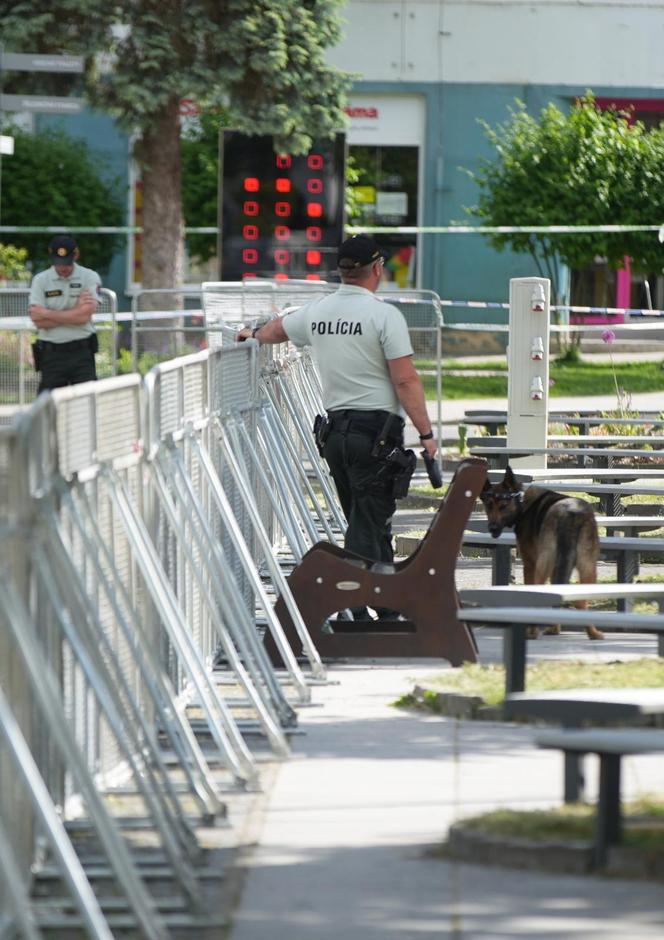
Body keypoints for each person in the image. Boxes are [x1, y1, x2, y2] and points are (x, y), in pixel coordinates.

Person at [238, 233, 438, 620]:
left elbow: (276, 330)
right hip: (375, 436)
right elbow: (406, 381)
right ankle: (357, 607)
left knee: (369, 519)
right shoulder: (384, 316)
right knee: (367, 523)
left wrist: (251, 334)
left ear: (341, 271)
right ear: (377, 268)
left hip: (336, 436)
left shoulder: (318, 311)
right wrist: (427, 435)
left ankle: (386, 605)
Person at [29, 234, 101, 393]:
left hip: (81, 352)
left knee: (87, 404)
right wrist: (75, 311)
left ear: (76, 255)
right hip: (51, 354)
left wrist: (46, 313)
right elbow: (38, 321)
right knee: (49, 408)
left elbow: (84, 317)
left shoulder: (89, 277)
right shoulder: (41, 280)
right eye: (58, 263)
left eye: (67, 263)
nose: (62, 268)